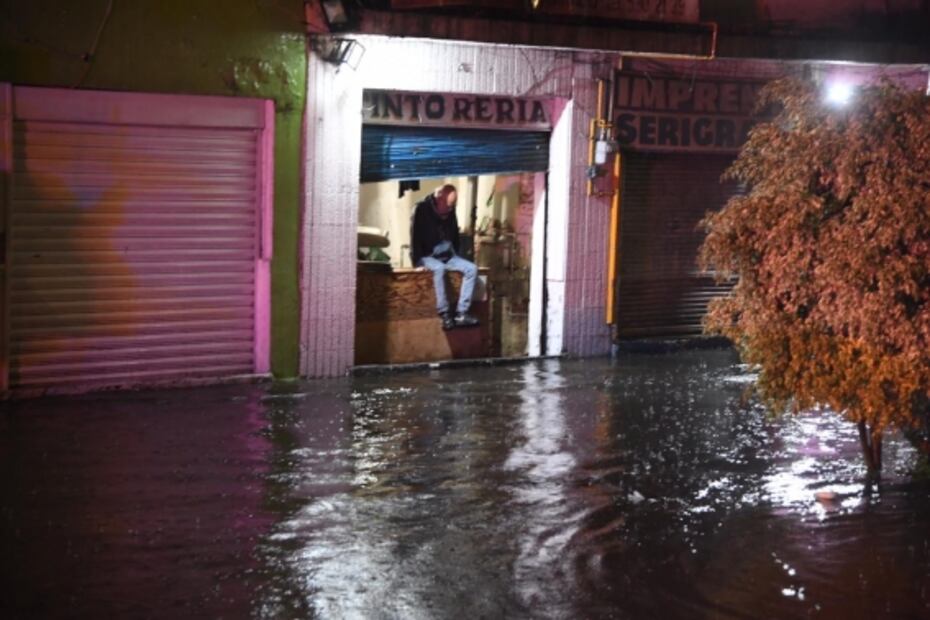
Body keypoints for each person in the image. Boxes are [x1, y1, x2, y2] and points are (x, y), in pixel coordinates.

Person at [410, 184, 480, 330]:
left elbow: (454, 234)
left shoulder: (450, 209)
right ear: (439, 199)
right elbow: (414, 236)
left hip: (447, 254)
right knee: (439, 268)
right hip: (427, 255)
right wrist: (416, 262)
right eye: (449, 206)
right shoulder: (421, 209)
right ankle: (445, 314)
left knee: (472, 269)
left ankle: (462, 313)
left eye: (452, 206)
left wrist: (457, 255)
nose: (450, 209)